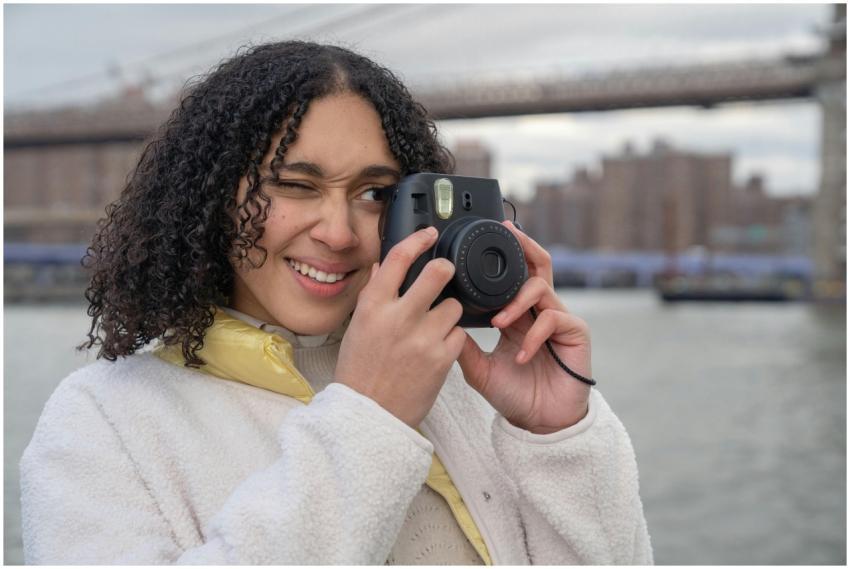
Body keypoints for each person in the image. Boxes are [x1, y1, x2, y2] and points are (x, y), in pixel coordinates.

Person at [20, 41, 653, 565]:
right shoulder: (101, 422)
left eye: (375, 194)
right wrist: (369, 418)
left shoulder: (464, 390)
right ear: (210, 198)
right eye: (296, 185)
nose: (339, 232)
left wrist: (557, 438)